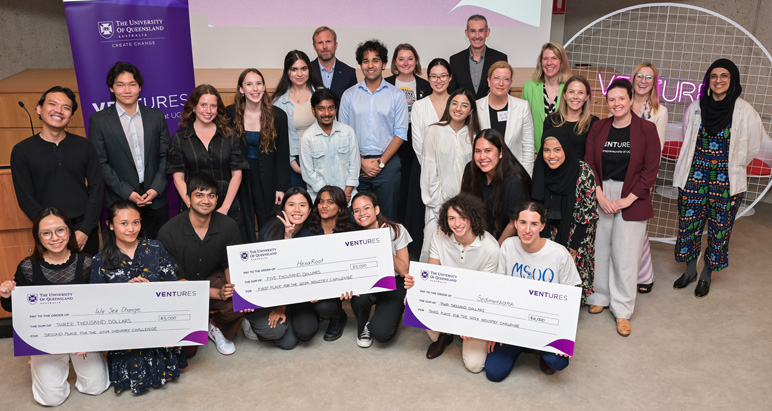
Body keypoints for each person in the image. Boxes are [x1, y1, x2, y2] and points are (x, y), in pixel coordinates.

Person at [672, 58, 765, 298]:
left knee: (719, 230)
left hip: (726, 182)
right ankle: (690, 271)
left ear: (732, 80)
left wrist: (731, 165)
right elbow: (687, 136)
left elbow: (753, 145)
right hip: (694, 177)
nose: (719, 80)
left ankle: (706, 276)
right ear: (708, 80)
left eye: (724, 76)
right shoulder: (696, 107)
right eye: (714, 76)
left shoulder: (745, 111)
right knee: (688, 226)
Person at [0, 208, 109, 406]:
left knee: (96, 387)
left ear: (69, 231)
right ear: (38, 237)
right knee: (50, 399)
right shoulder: (27, 267)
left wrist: (90, 338)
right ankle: (38, 361)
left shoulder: (86, 262)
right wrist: (7, 296)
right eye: (46, 233)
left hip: (80, 337)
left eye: (60, 230)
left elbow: (98, 306)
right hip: (46, 340)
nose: (54, 238)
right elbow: (16, 308)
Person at [584, 78, 660, 337]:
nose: (616, 103)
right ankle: (599, 296)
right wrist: (599, 194)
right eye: (612, 99)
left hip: (633, 196)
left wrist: (629, 199)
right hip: (603, 193)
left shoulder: (646, 129)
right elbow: (589, 164)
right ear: (608, 102)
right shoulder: (599, 127)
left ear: (630, 100)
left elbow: (651, 170)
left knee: (626, 255)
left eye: (621, 99)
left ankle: (622, 310)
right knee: (600, 248)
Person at [90, 200, 186, 394]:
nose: (131, 229)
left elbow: (173, 286)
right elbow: (97, 304)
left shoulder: (155, 247)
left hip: (157, 321)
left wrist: (151, 291)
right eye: (124, 223)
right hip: (124, 329)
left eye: (136, 222)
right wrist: (126, 293)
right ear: (110, 225)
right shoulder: (100, 260)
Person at [404, 194, 498, 372]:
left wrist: (467, 321)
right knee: (411, 298)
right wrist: (416, 283)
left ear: (473, 217)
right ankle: (444, 335)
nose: (457, 223)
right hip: (447, 296)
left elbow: (486, 293)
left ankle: (457, 332)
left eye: (463, 217)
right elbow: (432, 274)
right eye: (451, 218)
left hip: (474, 303)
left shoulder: (490, 247)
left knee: (475, 365)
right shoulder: (439, 235)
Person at [487, 202, 579, 381]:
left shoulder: (559, 254)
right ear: (515, 223)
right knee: (493, 373)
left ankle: (539, 349)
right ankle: (523, 346)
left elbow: (570, 301)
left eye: (534, 224)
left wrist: (564, 338)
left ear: (542, 226)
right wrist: (496, 330)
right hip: (514, 321)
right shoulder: (507, 246)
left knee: (557, 362)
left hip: (546, 323)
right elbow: (499, 289)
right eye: (522, 222)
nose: (527, 229)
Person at [157, 173, 244, 356]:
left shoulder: (228, 226)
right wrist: (216, 294)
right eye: (199, 195)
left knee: (236, 300)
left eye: (211, 195)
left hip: (212, 278)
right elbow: (175, 281)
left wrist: (237, 291)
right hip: (181, 290)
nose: (206, 200)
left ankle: (216, 325)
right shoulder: (169, 232)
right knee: (187, 352)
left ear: (217, 199)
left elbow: (231, 264)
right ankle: (200, 319)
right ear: (188, 198)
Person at [10, 86, 103, 256]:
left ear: (71, 116)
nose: (59, 111)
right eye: (53, 104)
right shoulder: (21, 151)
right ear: (39, 108)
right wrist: (51, 231)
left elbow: (97, 189)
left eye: (66, 107)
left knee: (90, 279)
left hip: (84, 230)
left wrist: (85, 230)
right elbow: (25, 198)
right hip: (48, 234)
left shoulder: (85, 146)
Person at [89, 61, 170, 239]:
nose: (127, 90)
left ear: (139, 87)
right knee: (122, 258)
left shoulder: (156, 117)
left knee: (159, 253)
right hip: (120, 201)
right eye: (120, 85)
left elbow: (166, 156)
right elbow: (101, 163)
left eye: (132, 84)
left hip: (155, 200)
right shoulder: (99, 121)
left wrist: (156, 189)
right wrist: (127, 193)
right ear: (111, 88)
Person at [340, 39, 409, 221]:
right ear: (361, 65)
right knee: (357, 218)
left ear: (384, 64)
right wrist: (361, 162)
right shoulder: (349, 96)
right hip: (356, 165)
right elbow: (343, 134)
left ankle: (390, 250)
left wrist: (380, 163)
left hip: (388, 165)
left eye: (375, 60)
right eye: (365, 61)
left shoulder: (397, 95)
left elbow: (400, 133)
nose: (370, 65)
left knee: (387, 217)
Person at [241, 187, 318, 349]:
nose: (297, 210)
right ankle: (251, 323)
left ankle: (289, 317)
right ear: (283, 208)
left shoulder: (313, 235)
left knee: (305, 333)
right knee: (286, 342)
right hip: (271, 296)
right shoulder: (268, 231)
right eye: (291, 204)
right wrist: (286, 240)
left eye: (302, 205)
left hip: (298, 297)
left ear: (310, 210)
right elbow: (263, 271)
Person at [166, 84, 248, 235]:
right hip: (193, 206)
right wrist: (193, 206)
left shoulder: (229, 136)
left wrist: (225, 208)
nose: (208, 111)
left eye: (213, 106)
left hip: (227, 205)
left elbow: (237, 174)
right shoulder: (180, 137)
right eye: (203, 105)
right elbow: (178, 178)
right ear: (194, 107)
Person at [531, 127, 598, 304]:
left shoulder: (583, 171)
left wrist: (574, 246)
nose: (551, 155)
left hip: (576, 236)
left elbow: (588, 213)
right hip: (546, 234)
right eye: (546, 150)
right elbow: (535, 208)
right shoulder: (539, 170)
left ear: (566, 149)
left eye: (557, 149)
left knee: (570, 287)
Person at [226, 68, 290, 237]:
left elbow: (283, 155)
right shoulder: (230, 113)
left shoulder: (278, 116)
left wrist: (280, 187)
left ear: (264, 87)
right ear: (241, 89)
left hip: (268, 177)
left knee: (268, 221)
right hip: (240, 176)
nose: (254, 88)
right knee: (243, 220)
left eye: (258, 83)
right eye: (249, 84)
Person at [419, 88, 480, 261]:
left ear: (471, 110)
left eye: (464, 105)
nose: (458, 108)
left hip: (467, 205)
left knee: (460, 254)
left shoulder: (475, 136)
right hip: (438, 204)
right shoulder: (434, 131)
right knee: (431, 249)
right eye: (454, 103)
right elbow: (429, 171)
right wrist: (438, 204)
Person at [349, 191, 411, 348]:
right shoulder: (351, 236)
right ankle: (363, 325)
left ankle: (376, 322)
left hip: (394, 282)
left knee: (383, 334)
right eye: (356, 211)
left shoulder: (397, 230)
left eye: (366, 208)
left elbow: (404, 271)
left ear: (377, 210)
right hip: (366, 282)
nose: (362, 213)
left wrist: (381, 244)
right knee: (360, 297)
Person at [408, 57, 453, 256]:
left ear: (450, 78)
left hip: (455, 171)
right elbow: (418, 144)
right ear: (428, 79)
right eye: (434, 76)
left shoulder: (458, 103)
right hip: (425, 170)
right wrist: (433, 170)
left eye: (443, 75)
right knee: (428, 223)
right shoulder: (420, 106)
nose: (439, 80)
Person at [385, 43, 432, 232]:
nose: (406, 62)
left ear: (416, 61)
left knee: (413, 186)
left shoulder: (425, 86)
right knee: (395, 188)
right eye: (401, 58)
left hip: (417, 140)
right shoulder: (385, 84)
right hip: (392, 141)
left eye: (410, 58)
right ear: (395, 62)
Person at [631, 62, 668, 294]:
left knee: (638, 227)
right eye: (640, 76)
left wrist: (649, 181)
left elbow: (658, 150)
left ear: (654, 83)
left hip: (641, 175)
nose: (643, 81)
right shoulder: (620, 101)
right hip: (615, 174)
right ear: (633, 78)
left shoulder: (659, 111)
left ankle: (644, 275)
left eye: (649, 78)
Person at [460, 129, 531, 243]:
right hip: (478, 238)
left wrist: (495, 250)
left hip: (506, 242)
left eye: (488, 151)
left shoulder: (514, 182)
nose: (482, 157)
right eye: (478, 151)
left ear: (501, 152)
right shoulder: (470, 169)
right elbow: (465, 207)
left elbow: (513, 223)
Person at [304, 185, 356, 341]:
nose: (324, 206)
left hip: (336, 285)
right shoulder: (307, 231)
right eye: (321, 201)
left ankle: (338, 317)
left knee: (324, 306)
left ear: (340, 208)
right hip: (310, 283)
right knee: (305, 330)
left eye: (330, 202)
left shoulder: (350, 232)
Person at [273, 50, 324, 188]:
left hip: (322, 158)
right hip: (294, 162)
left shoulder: (322, 93)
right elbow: (278, 140)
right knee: (298, 206)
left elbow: (333, 128)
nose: (300, 74)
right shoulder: (278, 102)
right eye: (294, 69)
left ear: (310, 70)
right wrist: (294, 165)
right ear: (287, 72)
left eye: (304, 68)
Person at [299, 88, 360, 201]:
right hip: (319, 199)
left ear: (336, 109)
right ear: (313, 111)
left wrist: (346, 194)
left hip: (348, 197)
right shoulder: (307, 137)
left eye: (331, 108)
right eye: (321, 109)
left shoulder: (348, 132)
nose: (326, 113)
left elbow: (355, 166)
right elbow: (308, 173)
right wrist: (330, 197)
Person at [476, 61, 535, 174]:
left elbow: (528, 147)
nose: (501, 83)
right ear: (489, 81)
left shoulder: (522, 107)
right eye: (496, 78)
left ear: (511, 82)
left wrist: (525, 178)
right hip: (484, 174)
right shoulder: (477, 107)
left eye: (506, 79)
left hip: (514, 174)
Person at [521, 42, 571, 153]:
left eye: (554, 58)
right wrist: (531, 152)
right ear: (540, 62)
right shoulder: (529, 87)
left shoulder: (570, 88)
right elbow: (522, 124)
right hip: (535, 154)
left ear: (561, 62)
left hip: (563, 154)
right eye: (545, 58)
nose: (549, 63)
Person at [449, 14, 508, 100]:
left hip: (490, 111)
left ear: (487, 32)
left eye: (481, 31)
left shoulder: (500, 59)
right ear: (467, 33)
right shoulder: (455, 60)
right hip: (465, 112)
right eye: (473, 31)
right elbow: (453, 94)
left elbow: (504, 93)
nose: (477, 36)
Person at [543, 75, 599, 159]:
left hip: (581, 171)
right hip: (555, 171)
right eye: (571, 92)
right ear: (564, 95)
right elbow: (544, 153)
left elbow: (595, 156)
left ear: (587, 97)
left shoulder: (594, 123)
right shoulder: (551, 121)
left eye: (581, 92)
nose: (575, 96)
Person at [309, 26, 358, 101]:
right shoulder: (306, 71)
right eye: (320, 43)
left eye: (328, 42)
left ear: (336, 45)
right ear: (314, 47)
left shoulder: (349, 73)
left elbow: (353, 104)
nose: (325, 46)